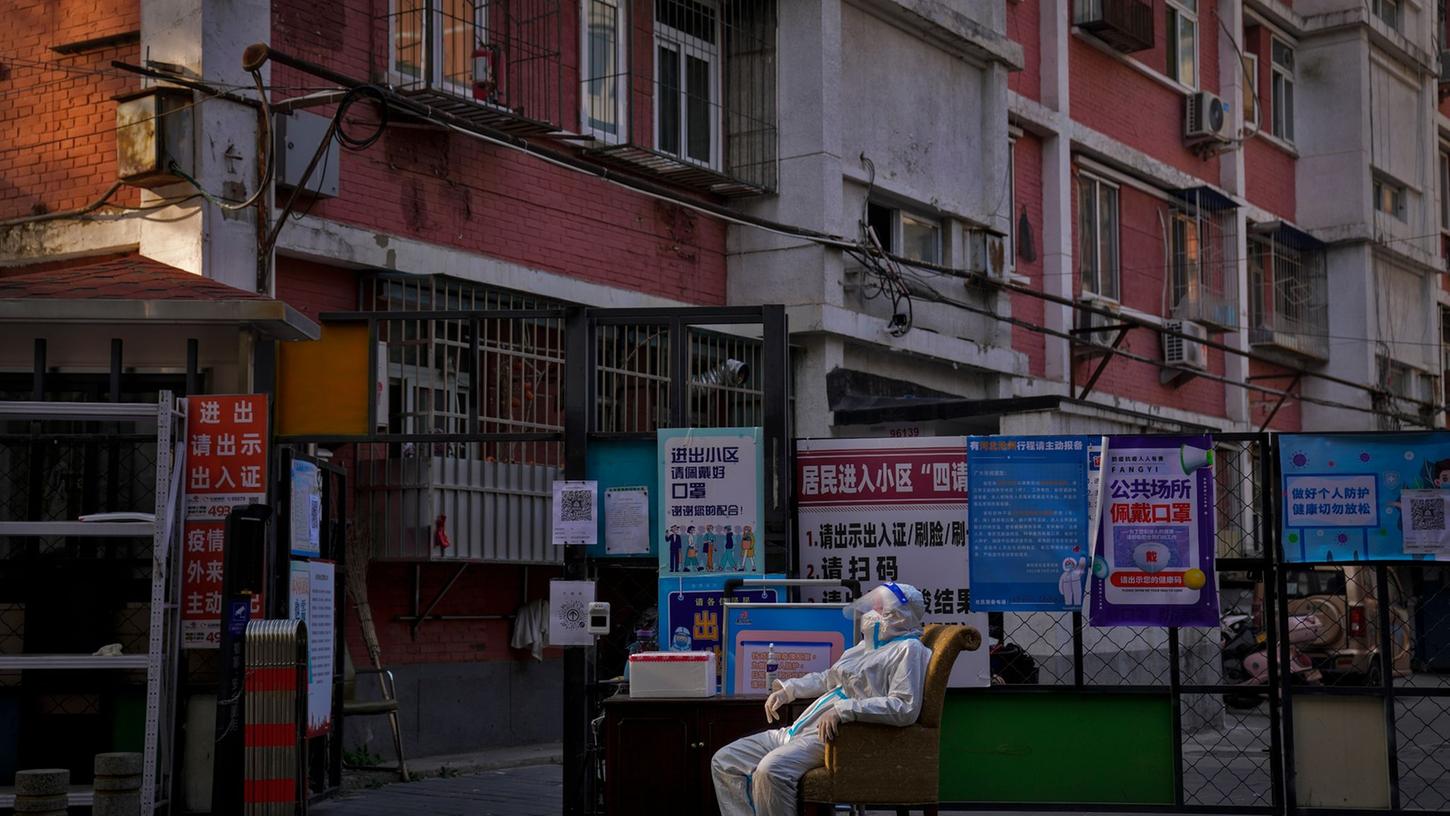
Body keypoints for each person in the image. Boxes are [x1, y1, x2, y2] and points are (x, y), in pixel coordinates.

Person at [711, 583, 931, 816]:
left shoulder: (908, 649)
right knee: (725, 761)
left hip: (837, 735)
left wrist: (844, 710)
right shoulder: (865, 648)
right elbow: (829, 677)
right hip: (802, 727)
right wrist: (788, 690)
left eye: (878, 608)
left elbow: (904, 707)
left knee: (771, 770)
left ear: (897, 615)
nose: (869, 614)